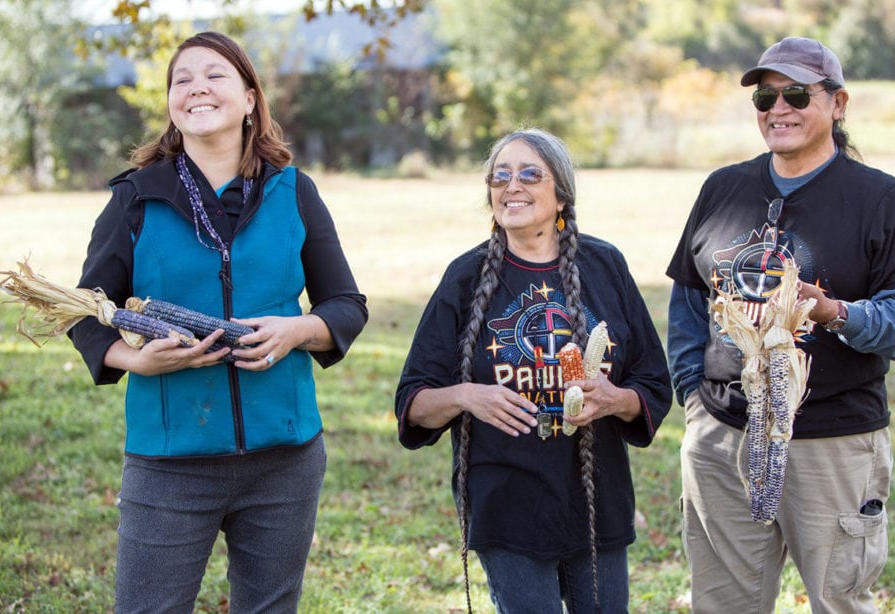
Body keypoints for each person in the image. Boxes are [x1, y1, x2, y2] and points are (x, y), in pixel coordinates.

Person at [69, 31, 367, 612]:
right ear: (171, 104)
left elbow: (345, 304)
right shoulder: (135, 197)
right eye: (182, 79)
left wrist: (296, 332)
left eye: (215, 75)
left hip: (285, 458)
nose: (197, 88)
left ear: (250, 98)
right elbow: (87, 309)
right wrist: (134, 360)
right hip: (169, 462)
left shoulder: (293, 191)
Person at [666, 36, 895, 613]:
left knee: (839, 602)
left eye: (796, 94)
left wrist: (834, 312)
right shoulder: (723, 188)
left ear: (838, 104)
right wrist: (694, 397)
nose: (778, 109)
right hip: (723, 437)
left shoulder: (881, 198)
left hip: (832, 442)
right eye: (766, 97)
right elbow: (688, 298)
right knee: (722, 606)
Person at [395, 127, 673, 613]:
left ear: (561, 194)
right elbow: (413, 403)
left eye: (529, 174)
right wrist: (466, 396)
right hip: (506, 502)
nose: (512, 186)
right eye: (499, 176)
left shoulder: (605, 266)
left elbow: (652, 384)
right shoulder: (465, 277)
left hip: (596, 498)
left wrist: (614, 399)